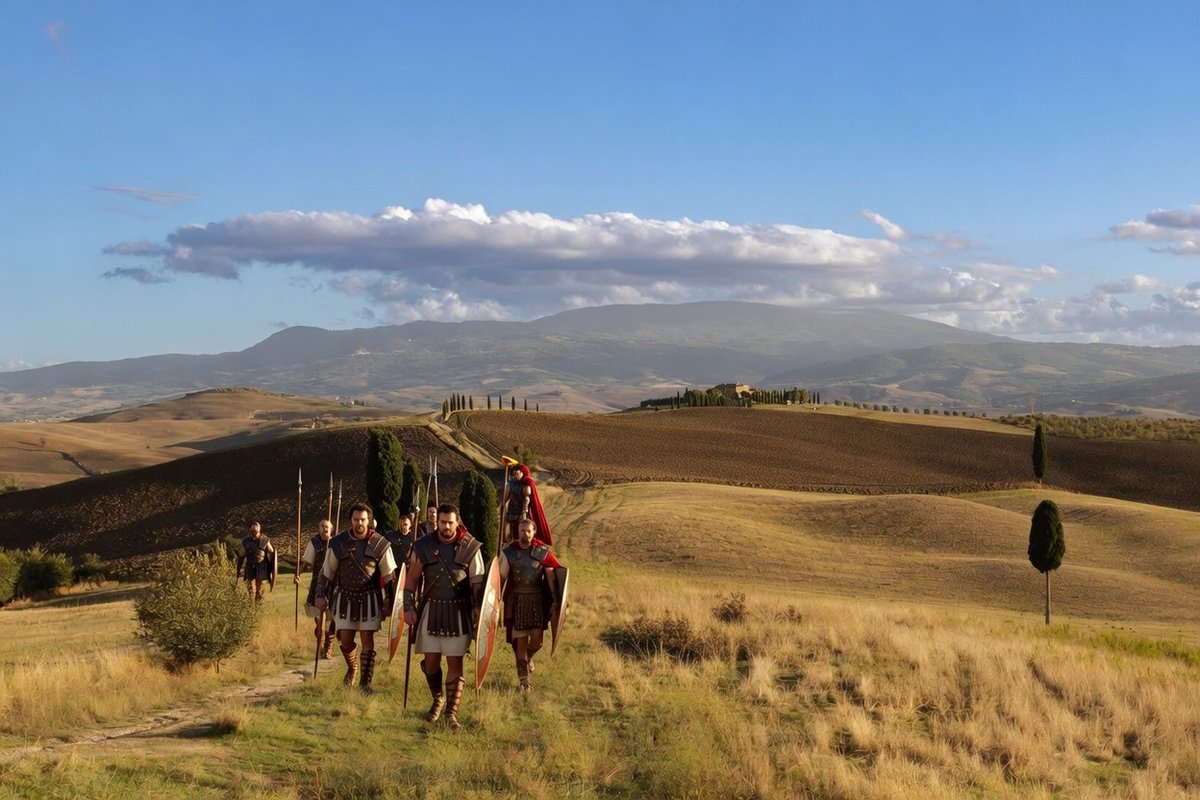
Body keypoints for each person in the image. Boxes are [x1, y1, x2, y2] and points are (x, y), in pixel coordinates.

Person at [402, 503, 485, 729]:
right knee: (430, 663)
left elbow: (478, 584)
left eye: (450, 522)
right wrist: (408, 607)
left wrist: (478, 608)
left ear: (457, 522)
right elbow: (411, 581)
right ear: (435, 522)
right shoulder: (423, 547)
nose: (446, 527)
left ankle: (451, 712)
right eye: (442, 522)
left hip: (458, 612)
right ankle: (437, 699)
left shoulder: (471, 548)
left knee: (455, 662)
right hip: (431, 611)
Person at [314, 503, 398, 694]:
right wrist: (320, 594)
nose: (359, 523)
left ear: (369, 521)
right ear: (350, 520)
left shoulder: (380, 544)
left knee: (367, 638)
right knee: (345, 640)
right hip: (345, 598)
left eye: (362, 520)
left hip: (370, 598)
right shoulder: (338, 543)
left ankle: (365, 683)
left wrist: (389, 601)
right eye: (355, 519)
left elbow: (389, 576)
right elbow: (326, 572)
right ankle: (352, 667)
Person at [499, 517, 561, 692]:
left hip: (536, 602)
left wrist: (556, 600)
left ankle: (529, 655)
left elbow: (551, 576)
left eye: (528, 530)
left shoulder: (541, 552)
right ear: (517, 532)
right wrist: (495, 600)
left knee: (537, 641)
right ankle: (524, 682)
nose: (524, 534)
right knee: (520, 642)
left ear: (533, 532)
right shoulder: (509, 552)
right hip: (517, 601)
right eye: (521, 530)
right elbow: (500, 578)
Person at [294, 518, 336, 658]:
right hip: (317, 583)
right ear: (318, 528)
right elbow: (305, 563)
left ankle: (328, 648)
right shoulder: (314, 543)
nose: (324, 529)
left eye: (327, 527)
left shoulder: (337, 542)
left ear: (332, 529)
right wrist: (298, 575)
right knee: (319, 618)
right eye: (322, 526)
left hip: (333, 584)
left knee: (332, 618)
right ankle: (320, 643)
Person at [502, 464, 553, 545]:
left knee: (522, 531)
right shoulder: (511, 484)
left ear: (522, 473)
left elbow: (526, 501)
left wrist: (524, 514)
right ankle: (505, 541)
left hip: (521, 513)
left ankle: (522, 544)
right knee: (509, 530)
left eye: (517, 473)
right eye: (514, 474)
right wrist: (502, 506)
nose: (515, 475)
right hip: (511, 511)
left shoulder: (526, 486)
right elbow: (506, 498)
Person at [236, 522, 275, 601]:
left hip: (261, 566)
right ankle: (251, 605)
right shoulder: (246, 541)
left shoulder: (264, 540)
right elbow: (242, 554)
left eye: (255, 531)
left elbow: (272, 552)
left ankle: (258, 605)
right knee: (250, 587)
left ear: (259, 531)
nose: (254, 533)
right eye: (253, 531)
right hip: (250, 565)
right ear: (250, 531)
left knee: (259, 588)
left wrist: (271, 568)